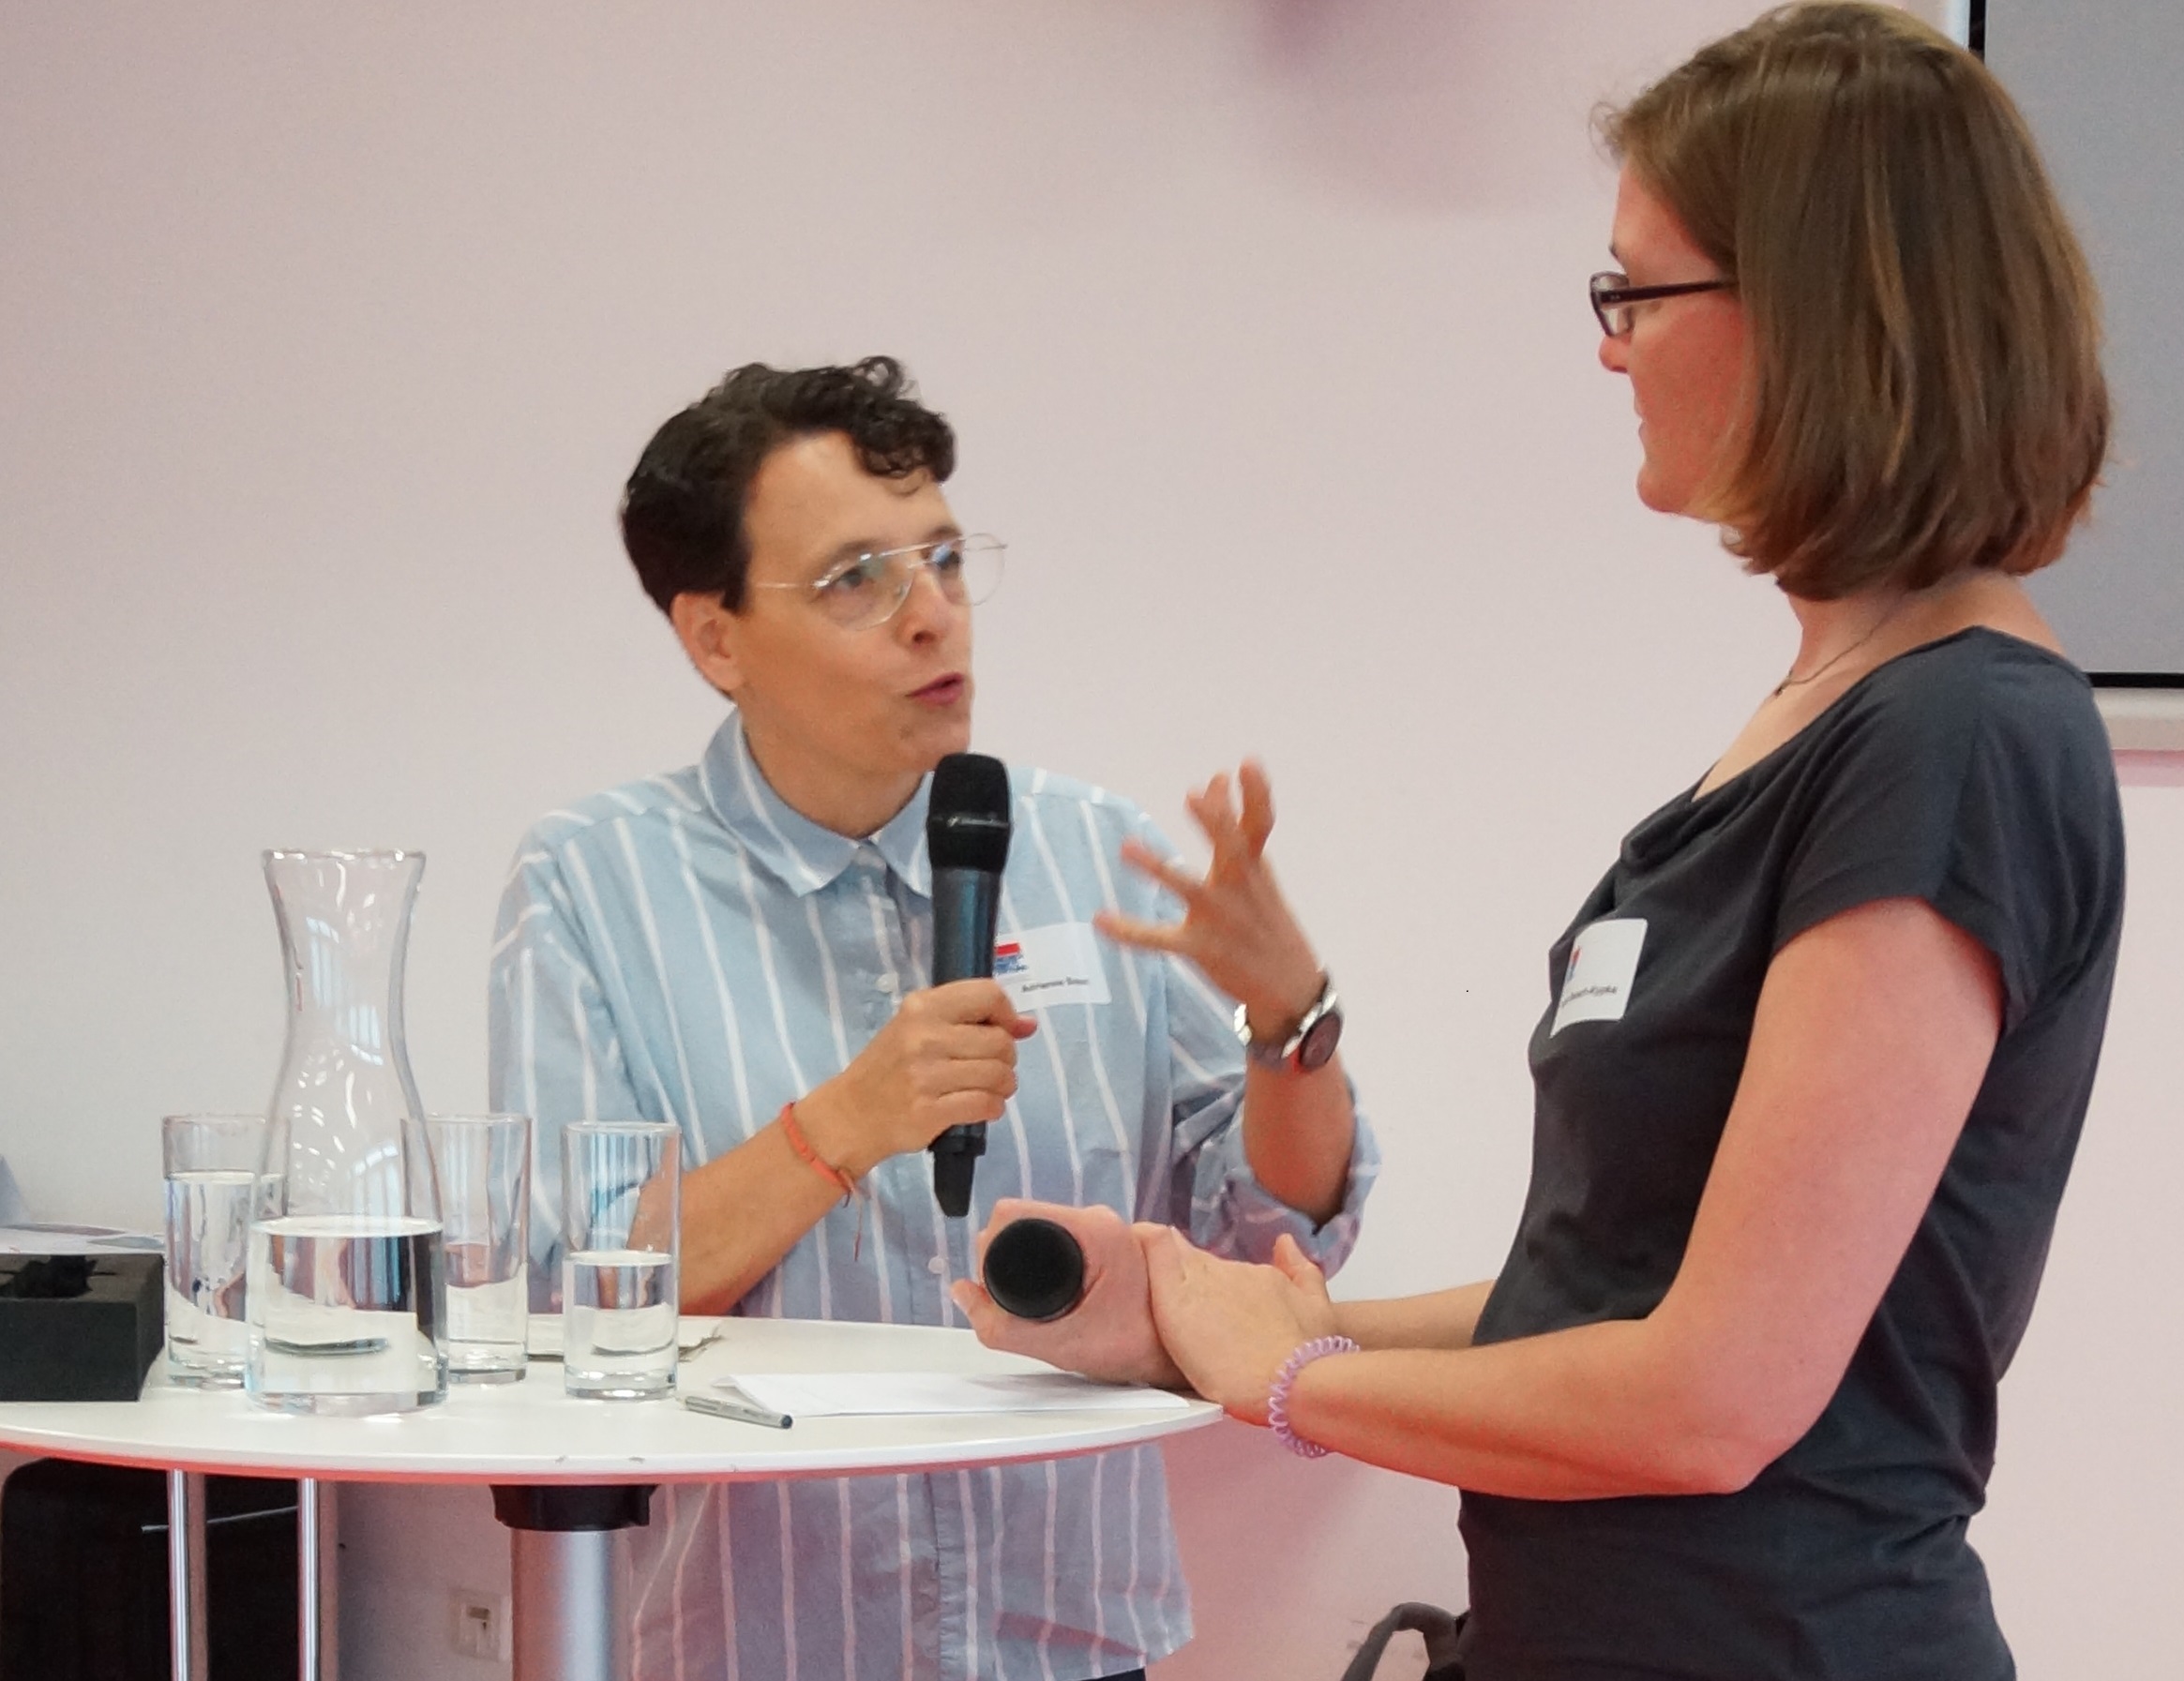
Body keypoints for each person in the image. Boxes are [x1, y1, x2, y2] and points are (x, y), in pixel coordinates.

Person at [955, 8, 2121, 1677]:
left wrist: (1286, 1379)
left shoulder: (1956, 740)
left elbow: (1712, 1395)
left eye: (1633, 293)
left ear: (1815, 308)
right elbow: (1605, 1289)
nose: (1607, 349)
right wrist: (1237, 1311)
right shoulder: (1827, 720)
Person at [486, 356, 1377, 1681]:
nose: (933, 618)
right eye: (858, 578)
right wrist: (843, 1124)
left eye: (947, 562)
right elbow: (571, 1294)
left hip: (1069, 1638)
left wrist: (1292, 1027)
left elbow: (1264, 1238)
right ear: (715, 638)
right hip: (765, 1646)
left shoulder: (1090, 850)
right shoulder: (591, 883)